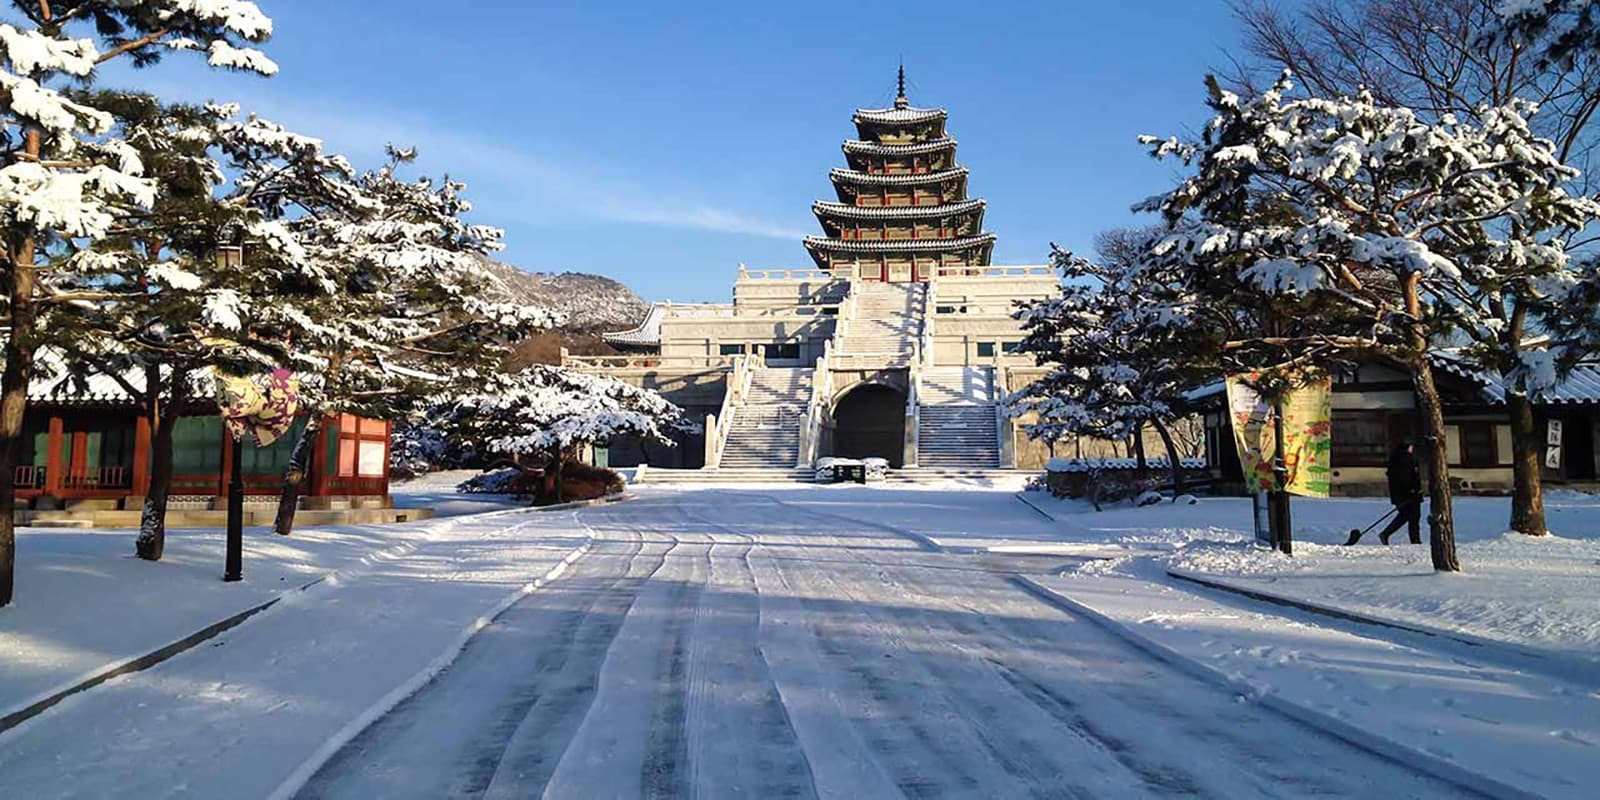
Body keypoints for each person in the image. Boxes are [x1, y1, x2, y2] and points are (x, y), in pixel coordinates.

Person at [1348, 441, 1423, 546]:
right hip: (1408, 494)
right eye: (1411, 447)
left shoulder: (1396, 458)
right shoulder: (1405, 459)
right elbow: (1406, 478)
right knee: (1411, 516)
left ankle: (1393, 535)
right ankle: (1410, 539)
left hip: (1401, 495)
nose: (1412, 449)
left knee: (1406, 516)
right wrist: (1413, 490)